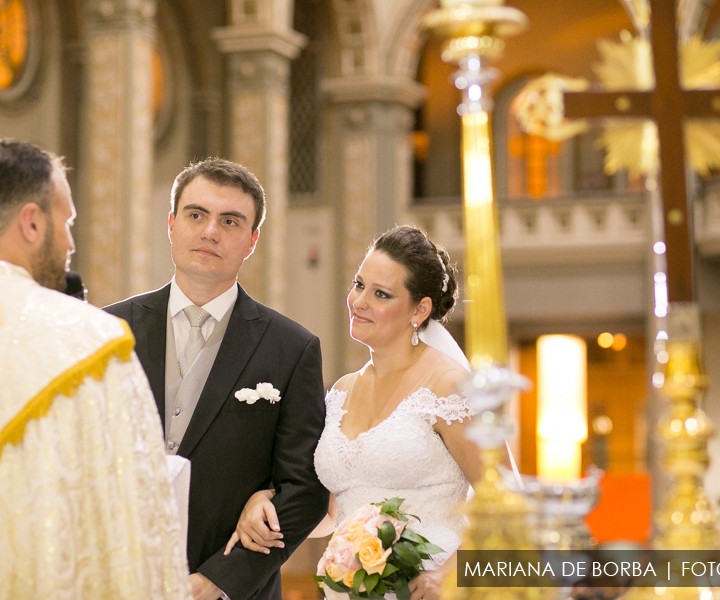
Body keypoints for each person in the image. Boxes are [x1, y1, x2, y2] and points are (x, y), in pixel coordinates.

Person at [104, 157, 329, 600]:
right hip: (119, 578)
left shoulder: (292, 348)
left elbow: (304, 490)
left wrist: (220, 580)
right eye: (196, 215)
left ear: (252, 240)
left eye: (230, 221)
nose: (210, 231)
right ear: (171, 224)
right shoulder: (109, 331)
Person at [231, 225, 481, 600]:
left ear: (420, 309)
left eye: (381, 294)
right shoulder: (342, 391)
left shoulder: (448, 386)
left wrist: (449, 575)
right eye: (358, 284)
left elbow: (512, 509)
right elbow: (333, 514)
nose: (359, 301)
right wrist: (265, 505)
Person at [0, 139, 191, 598]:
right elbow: (137, 529)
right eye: (65, 223)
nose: (70, 243)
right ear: (31, 222)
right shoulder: (92, 344)